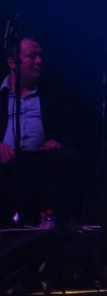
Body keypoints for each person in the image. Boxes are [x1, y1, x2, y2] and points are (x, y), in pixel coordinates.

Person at [0, 37, 80, 225]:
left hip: (40, 159)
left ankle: (51, 221)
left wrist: (56, 141)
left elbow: (71, 130)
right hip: (7, 160)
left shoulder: (50, 95)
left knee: (68, 158)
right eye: (32, 56)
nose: (39, 61)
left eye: (40, 56)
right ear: (12, 63)